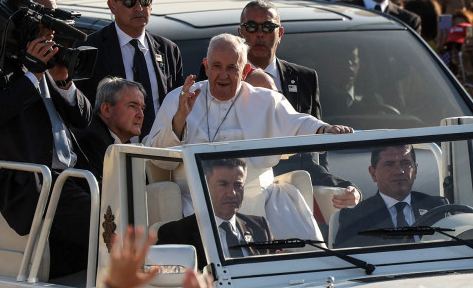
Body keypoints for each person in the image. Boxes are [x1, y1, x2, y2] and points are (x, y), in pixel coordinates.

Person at [147, 34, 352, 239]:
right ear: (206, 66)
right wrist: (179, 120)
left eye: (231, 68)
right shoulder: (179, 98)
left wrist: (324, 129)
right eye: (216, 66)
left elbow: (298, 123)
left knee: (292, 221)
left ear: (245, 71)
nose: (223, 75)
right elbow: (157, 159)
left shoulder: (265, 100)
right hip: (197, 197)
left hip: (257, 195)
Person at [0, 0, 92, 278]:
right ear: (25, 17)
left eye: (55, 15)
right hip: (36, 187)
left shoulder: (51, 55)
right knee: (109, 223)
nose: (53, 25)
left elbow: (83, 119)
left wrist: (63, 81)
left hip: (72, 179)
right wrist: (31, 73)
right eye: (45, 17)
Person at [79, 0, 184, 136]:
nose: (139, 7)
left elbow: (176, 105)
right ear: (112, 6)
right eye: (129, 1)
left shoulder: (168, 50)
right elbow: (81, 109)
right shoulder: (91, 48)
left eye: (144, 0)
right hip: (111, 154)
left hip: (162, 153)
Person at [157, 157, 273, 268]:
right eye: (223, 184)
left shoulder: (260, 227)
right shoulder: (175, 235)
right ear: (204, 187)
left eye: (238, 185)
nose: (232, 193)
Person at [332, 144, 448, 248]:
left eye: (406, 163)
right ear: (373, 173)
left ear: (415, 170)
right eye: (389, 165)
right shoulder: (355, 218)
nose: (399, 171)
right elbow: (345, 266)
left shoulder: (438, 208)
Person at [237, 0, 321, 118]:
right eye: (252, 27)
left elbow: (316, 130)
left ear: (280, 34)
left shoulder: (305, 78)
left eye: (268, 27)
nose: (260, 34)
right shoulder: (218, 74)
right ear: (240, 33)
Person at [74, 77, 145, 178]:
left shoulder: (121, 141)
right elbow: (102, 191)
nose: (141, 115)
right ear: (106, 109)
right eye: (132, 106)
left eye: (142, 108)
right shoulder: (92, 140)